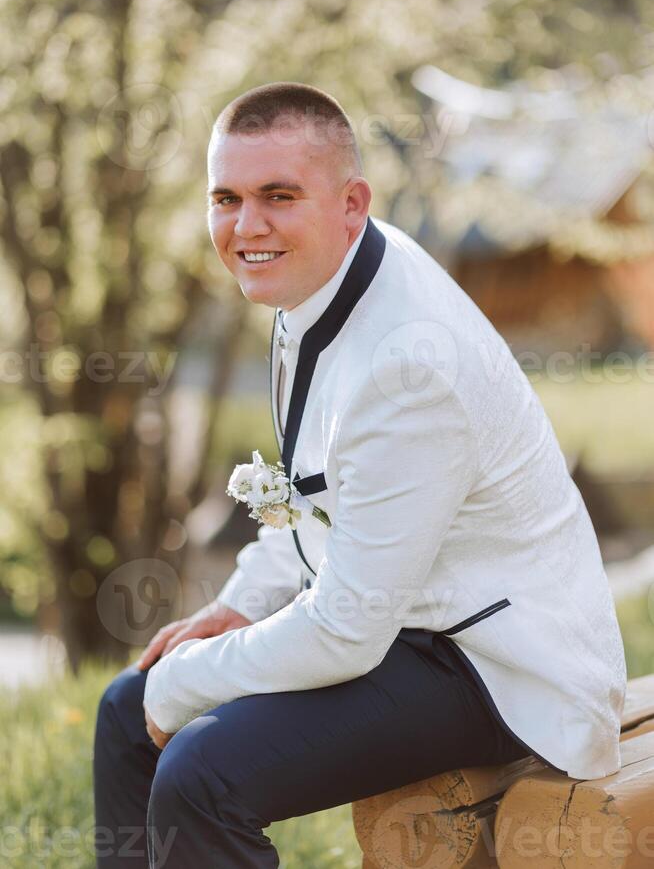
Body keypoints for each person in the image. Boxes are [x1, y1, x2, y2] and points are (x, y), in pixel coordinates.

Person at [93, 82, 627, 868]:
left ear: (351, 203)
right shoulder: (318, 278)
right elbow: (319, 494)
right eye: (227, 198)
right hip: (404, 623)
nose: (247, 226)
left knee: (203, 771)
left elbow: (346, 632)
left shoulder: (408, 363)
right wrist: (240, 605)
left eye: (279, 195)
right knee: (123, 707)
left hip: (499, 666)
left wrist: (189, 683)